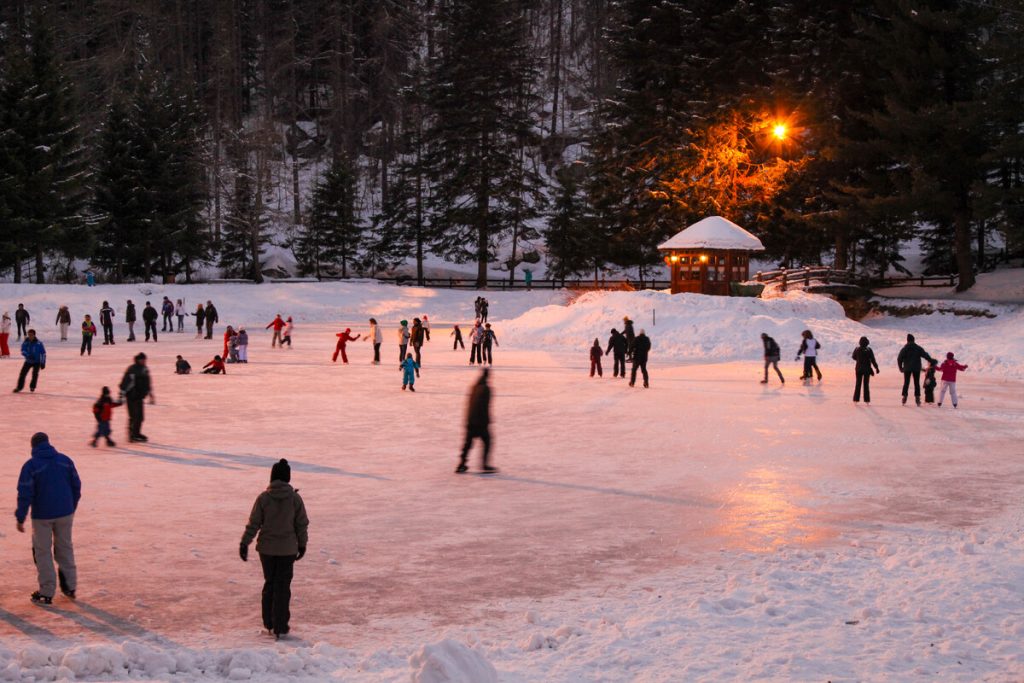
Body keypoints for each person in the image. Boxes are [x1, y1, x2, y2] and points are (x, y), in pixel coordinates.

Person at [240, 459, 308, 640]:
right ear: (287, 478)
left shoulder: (263, 498)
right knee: (283, 586)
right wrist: (302, 544)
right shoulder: (294, 499)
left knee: (270, 583)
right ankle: (280, 625)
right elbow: (301, 524)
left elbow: (253, 523)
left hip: (267, 550)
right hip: (287, 550)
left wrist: (244, 543)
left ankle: (269, 623)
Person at [16, 432, 81, 605]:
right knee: (65, 548)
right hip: (65, 513)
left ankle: (46, 592)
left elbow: (25, 493)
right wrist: (71, 506)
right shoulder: (65, 461)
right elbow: (76, 485)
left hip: (42, 516)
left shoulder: (31, 466)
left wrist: (20, 517)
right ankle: (70, 587)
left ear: (33, 447)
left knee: (42, 552)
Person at [456, 369, 495, 473]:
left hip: (470, 420)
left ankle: (461, 464)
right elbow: (485, 407)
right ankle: (485, 464)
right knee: (487, 442)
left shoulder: (474, 387)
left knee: (467, 444)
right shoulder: (486, 389)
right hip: (480, 422)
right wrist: (487, 420)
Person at [119, 352, 154, 442]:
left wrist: (150, 394)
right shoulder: (133, 369)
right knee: (134, 416)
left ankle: (136, 433)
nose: (144, 361)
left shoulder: (144, 369)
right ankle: (132, 435)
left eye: (144, 359)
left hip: (139, 396)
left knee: (140, 417)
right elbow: (126, 382)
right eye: (142, 359)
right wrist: (122, 393)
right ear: (138, 360)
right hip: (132, 396)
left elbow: (147, 382)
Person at [897, 333, 935, 406]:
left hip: (907, 368)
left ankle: (904, 397)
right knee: (916, 383)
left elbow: (899, 358)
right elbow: (925, 355)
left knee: (906, 382)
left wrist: (901, 367)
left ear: (907, 340)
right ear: (914, 340)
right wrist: (931, 360)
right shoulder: (918, 348)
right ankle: (917, 398)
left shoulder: (905, 348)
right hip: (916, 368)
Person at [852, 336, 880, 404]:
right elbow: (873, 360)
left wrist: (858, 360)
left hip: (858, 369)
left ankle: (856, 399)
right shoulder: (869, 350)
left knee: (858, 384)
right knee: (866, 384)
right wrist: (876, 368)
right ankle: (866, 399)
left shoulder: (857, 349)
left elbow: (853, 357)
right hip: (867, 369)